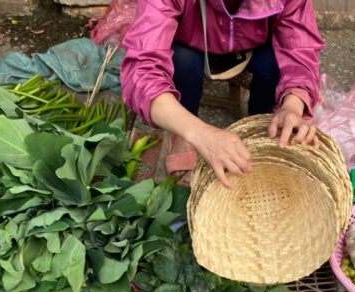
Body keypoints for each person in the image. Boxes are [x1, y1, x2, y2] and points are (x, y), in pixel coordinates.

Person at [121, 0, 325, 188]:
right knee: (182, 62)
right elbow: (142, 71)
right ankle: (182, 136)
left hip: (254, 43)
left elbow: (301, 49)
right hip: (192, 41)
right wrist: (199, 132)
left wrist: (292, 106)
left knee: (274, 65)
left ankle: (265, 130)